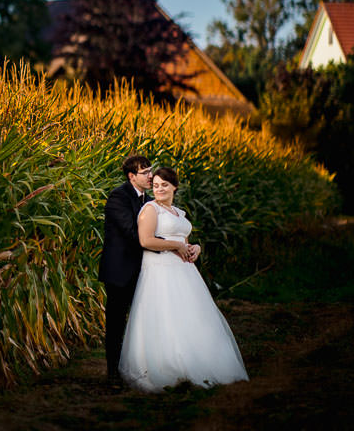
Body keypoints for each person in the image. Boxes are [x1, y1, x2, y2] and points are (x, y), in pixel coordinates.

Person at [119, 166, 249, 392]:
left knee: (191, 316)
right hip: (160, 271)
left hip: (185, 272)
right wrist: (176, 245)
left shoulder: (179, 213)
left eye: (164, 185)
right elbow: (146, 241)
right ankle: (169, 366)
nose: (159, 189)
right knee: (166, 316)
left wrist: (194, 248)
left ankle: (201, 362)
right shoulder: (150, 209)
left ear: (174, 187)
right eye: (156, 185)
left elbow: (185, 242)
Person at [98, 154, 154, 385]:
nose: (151, 176)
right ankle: (113, 373)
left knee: (144, 321)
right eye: (145, 172)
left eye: (151, 171)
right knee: (116, 323)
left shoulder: (149, 200)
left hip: (145, 271)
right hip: (120, 272)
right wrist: (166, 245)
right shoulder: (118, 197)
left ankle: (141, 368)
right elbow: (133, 233)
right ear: (132, 176)